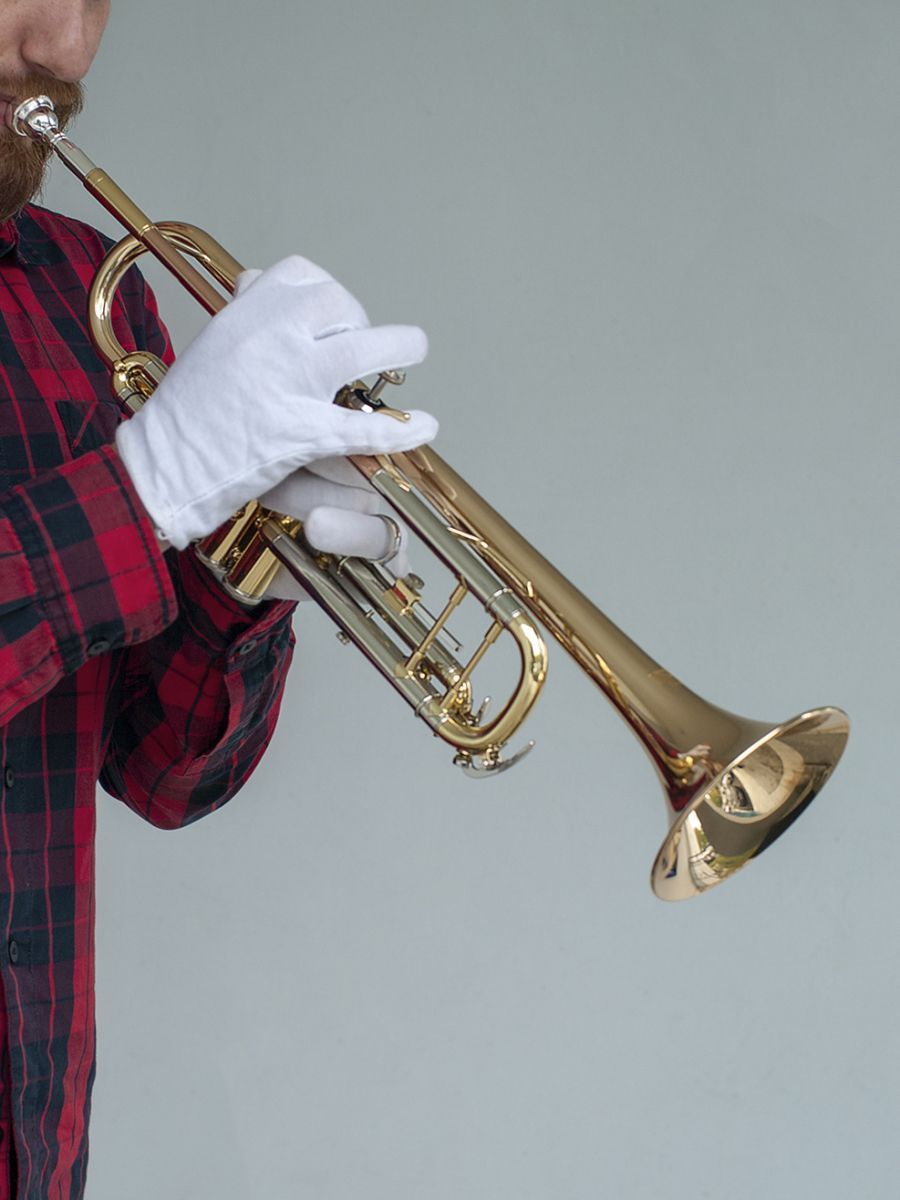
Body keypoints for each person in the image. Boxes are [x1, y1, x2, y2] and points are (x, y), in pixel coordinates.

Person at [0, 3, 437, 1197]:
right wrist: (145, 489)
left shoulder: (85, 292)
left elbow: (163, 773)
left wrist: (244, 557)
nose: (66, 50)